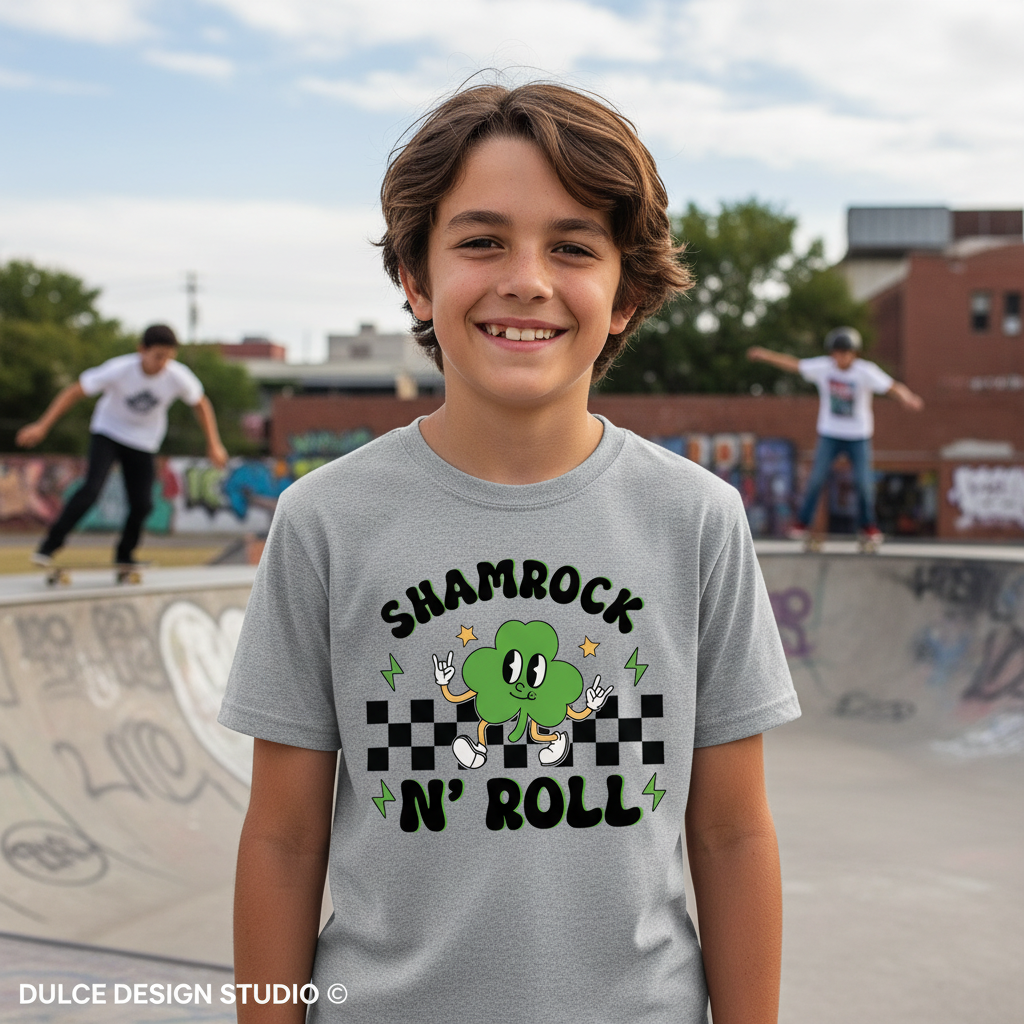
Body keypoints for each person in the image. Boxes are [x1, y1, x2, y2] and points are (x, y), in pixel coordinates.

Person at [219, 82, 800, 1024]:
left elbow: (732, 833)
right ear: (415, 277)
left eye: (573, 247)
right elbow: (284, 839)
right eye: (482, 240)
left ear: (627, 295)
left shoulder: (696, 518)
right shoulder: (325, 518)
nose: (526, 277)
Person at [16, 323, 228, 566]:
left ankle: (125, 555)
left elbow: (200, 404)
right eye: (158, 356)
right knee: (91, 490)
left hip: (144, 441)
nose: (162, 364)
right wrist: (43, 425)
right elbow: (75, 391)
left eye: (168, 358)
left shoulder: (178, 376)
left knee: (143, 504)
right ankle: (48, 546)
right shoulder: (119, 369)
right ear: (141, 350)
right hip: (108, 432)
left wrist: (214, 444)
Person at [748, 327, 924, 544]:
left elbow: (891, 386)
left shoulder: (865, 371)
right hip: (830, 434)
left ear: (853, 354)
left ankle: (868, 527)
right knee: (816, 479)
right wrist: (765, 355)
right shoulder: (824, 367)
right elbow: (794, 364)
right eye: (835, 353)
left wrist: (907, 397)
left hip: (858, 437)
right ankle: (801, 524)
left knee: (863, 482)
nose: (838, 358)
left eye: (843, 353)